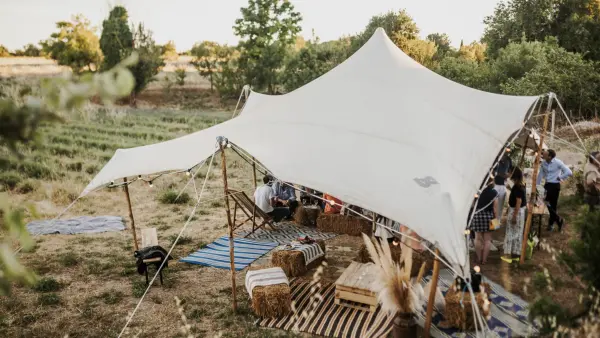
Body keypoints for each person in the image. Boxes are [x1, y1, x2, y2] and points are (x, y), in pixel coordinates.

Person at [536, 149, 573, 231]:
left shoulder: (558, 162)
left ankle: (551, 225)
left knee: (552, 205)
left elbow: (569, 172)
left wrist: (560, 177)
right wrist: (536, 186)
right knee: (546, 203)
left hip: (555, 185)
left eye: (545, 155)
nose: (543, 155)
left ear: (550, 156)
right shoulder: (543, 163)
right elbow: (540, 174)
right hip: (547, 185)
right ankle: (558, 220)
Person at [470, 178, 498, 265]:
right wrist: (496, 221)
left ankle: (479, 258)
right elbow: (495, 209)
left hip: (477, 215)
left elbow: (472, 204)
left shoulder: (476, 191)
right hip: (489, 216)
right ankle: (484, 260)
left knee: (477, 238)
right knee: (487, 240)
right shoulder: (494, 192)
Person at [503, 167, 527, 262]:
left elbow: (518, 202)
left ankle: (509, 254)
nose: (508, 173)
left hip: (517, 211)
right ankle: (515, 253)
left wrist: (514, 216)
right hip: (516, 210)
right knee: (516, 232)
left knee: (512, 232)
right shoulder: (519, 185)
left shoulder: (518, 187)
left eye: (509, 172)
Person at [494, 151, 512, 223]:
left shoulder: (508, 159)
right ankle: (491, 223)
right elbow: (493, 172)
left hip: (503, 185)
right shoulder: (496, 159)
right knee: (494, 205)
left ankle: (496, 223)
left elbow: (511, 170)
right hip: (495, 184)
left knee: (500, 206)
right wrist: (501, 175)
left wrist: (508, 175)